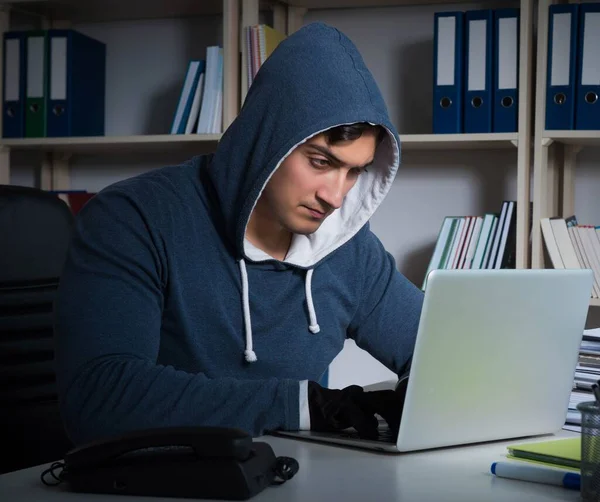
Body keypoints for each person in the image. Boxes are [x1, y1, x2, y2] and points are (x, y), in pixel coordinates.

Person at [53, 21, 424, 446]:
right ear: (268, 140)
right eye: (320, 162)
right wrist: (297, 405)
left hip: (295, 479)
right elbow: (99, 396)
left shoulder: (348, 249)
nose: (335, 197)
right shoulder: (133, 219)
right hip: (164, 481)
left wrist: (423, 394)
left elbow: (442, 352)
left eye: (354, 171)